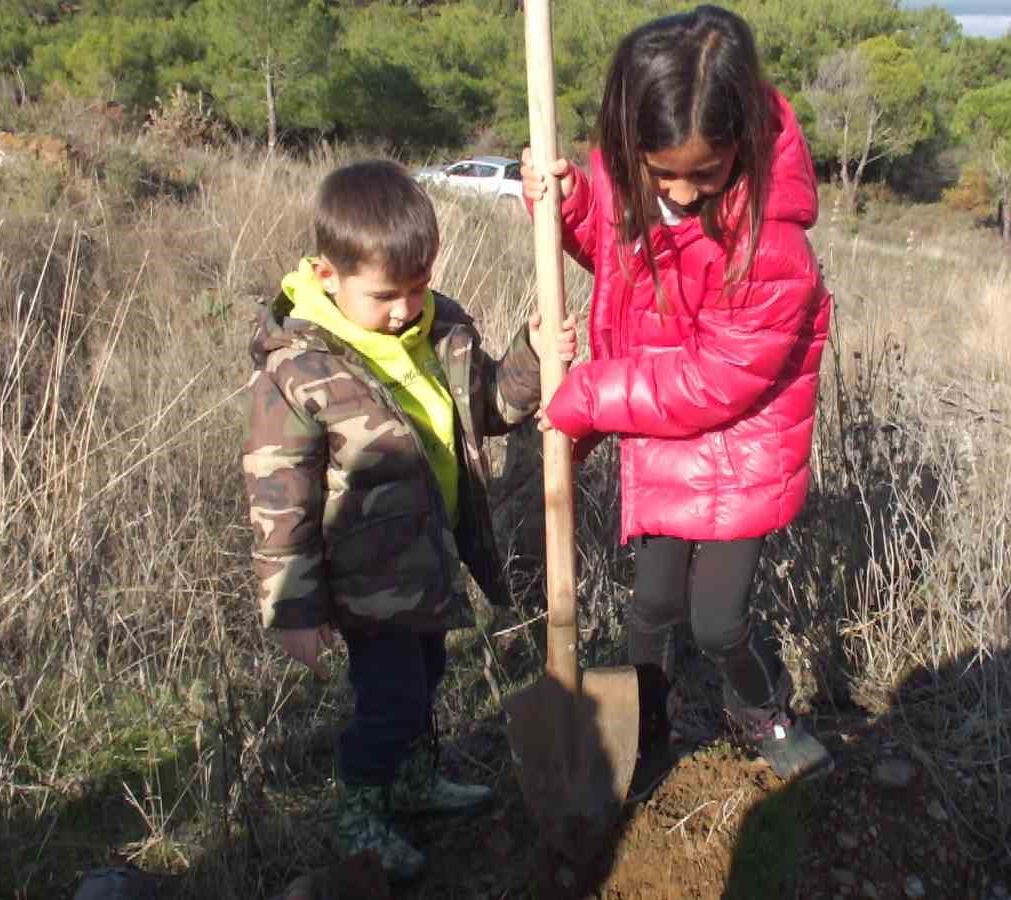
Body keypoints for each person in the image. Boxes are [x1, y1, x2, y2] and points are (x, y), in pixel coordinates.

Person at [520, 5, 834, 782]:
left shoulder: (773, 244)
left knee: (718, 623)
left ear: (747, 146)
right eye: (664, 174)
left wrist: (589, 394)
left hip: (742, 456)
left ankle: (761, 711)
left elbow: (714, 382)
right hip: (663, 442)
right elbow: (616, 252)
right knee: (650, 608)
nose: (684, 195)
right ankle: (644, 726)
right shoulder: (638, 184)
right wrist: (571, 206)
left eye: (706, 173)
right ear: (631, 142)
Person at [242, 160, 574, 881]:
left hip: (429, 563)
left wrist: (533, 356)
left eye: (417, 286)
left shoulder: (440, 328)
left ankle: (416, 783)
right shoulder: (300, 371)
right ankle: (361, 817)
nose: (404, 308)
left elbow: (486, 409)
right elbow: (280, 500)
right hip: (365, 581)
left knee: (426, 678)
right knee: (390, 699)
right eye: (385, 294)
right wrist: (292, 609)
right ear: (328, 275)